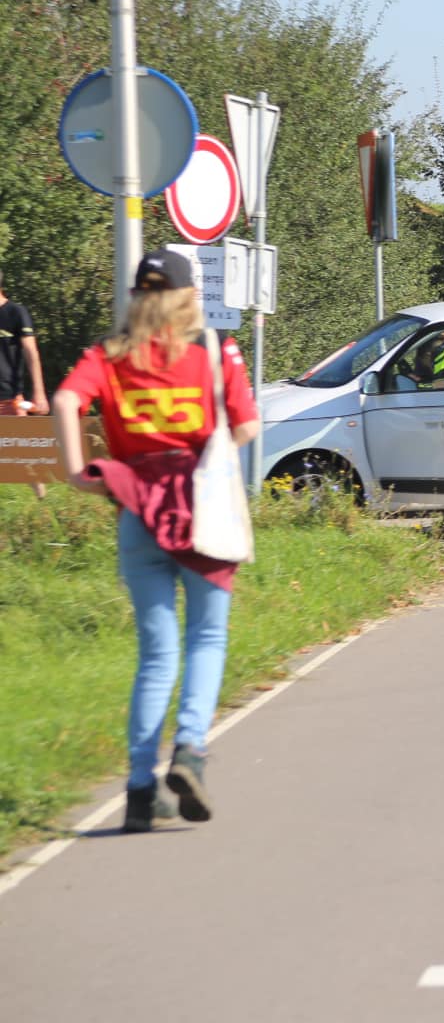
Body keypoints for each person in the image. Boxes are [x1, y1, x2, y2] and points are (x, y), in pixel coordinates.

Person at [52, 250, 260, 833]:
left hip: (137, 507)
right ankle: (189, 751)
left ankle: (141, 791)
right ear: (190, 296)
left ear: (137, 297)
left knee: (156, 653)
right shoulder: (214, 350)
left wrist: (76, 472)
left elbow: (66, 400)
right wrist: (210, 451)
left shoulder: (108, 353)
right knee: (208, 636)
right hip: (201, 507)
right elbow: (247, 425)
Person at [0, 266, 48, 416]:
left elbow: (31, 353)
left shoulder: (16, 312)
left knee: (18, 432)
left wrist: (39, 393)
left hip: (9, 400)